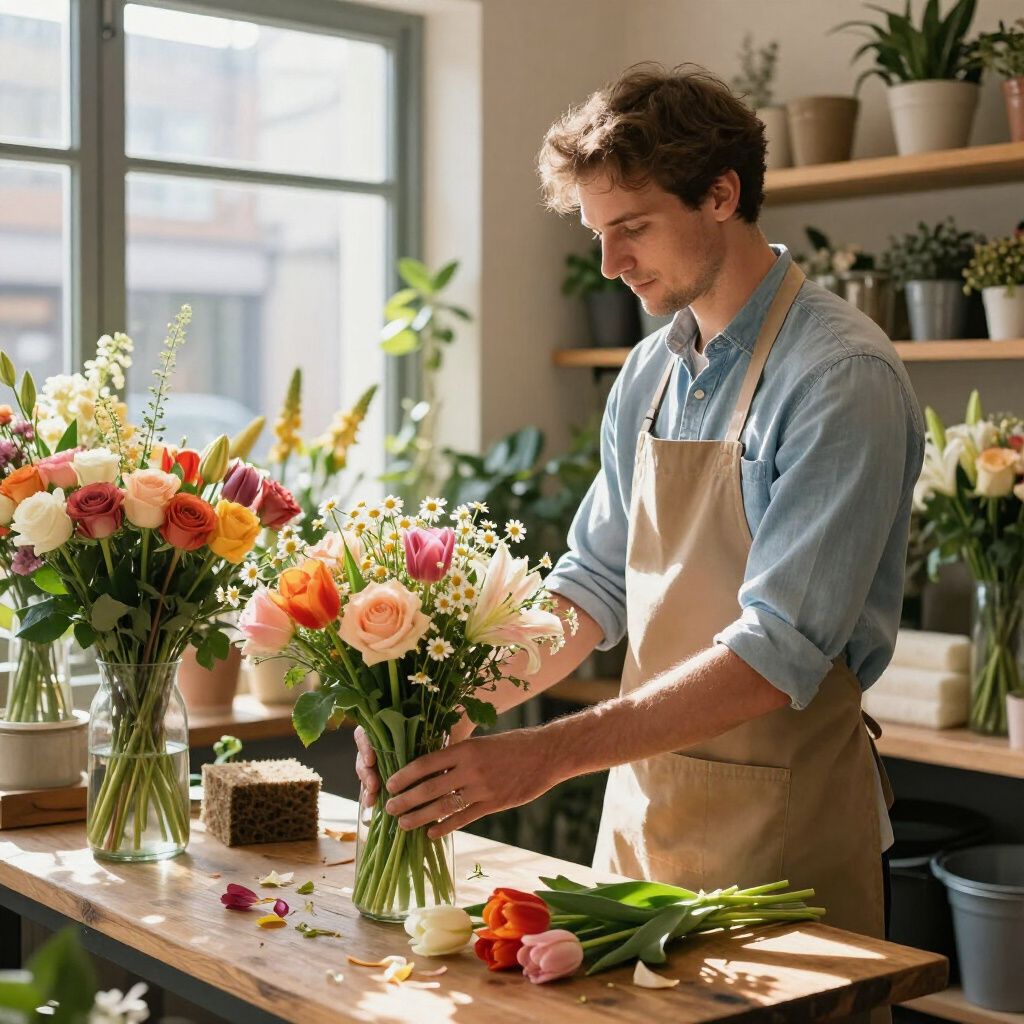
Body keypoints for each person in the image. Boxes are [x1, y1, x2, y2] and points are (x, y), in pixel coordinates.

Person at [356, 63, 924, 949]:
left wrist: (542, 754)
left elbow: (777, 653)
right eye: (596, 233)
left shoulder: (840, 377)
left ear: (722, 194)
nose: (610, 265)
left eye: (632, 229)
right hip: (642, 817)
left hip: (786, 843)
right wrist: (452, 705)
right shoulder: (651, 371)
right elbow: (591, 587)